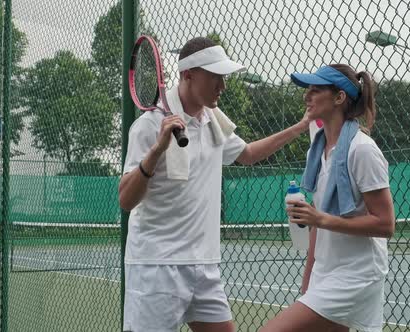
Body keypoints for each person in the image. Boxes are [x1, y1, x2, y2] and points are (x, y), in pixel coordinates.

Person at [119, 36, 310, 332]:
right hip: (156, 267)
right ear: (188, 75)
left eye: (224, 77)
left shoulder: (213, 121)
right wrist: (157, 150)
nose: (222, 86)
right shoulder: (147, 126)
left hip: (204, 267)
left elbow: (247, 155)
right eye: (214, 77)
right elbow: (126, 200)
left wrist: (300, 126)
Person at [260, 64, 395, 332]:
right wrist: (308, 282)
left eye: (315, 90)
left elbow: (385, 224)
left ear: (339, 97)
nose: (306, 96)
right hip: (327, 271)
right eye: (307, 89)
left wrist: (321, 219)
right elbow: (316, 227)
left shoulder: (362, 151)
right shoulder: (319, 150)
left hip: (356, 275)